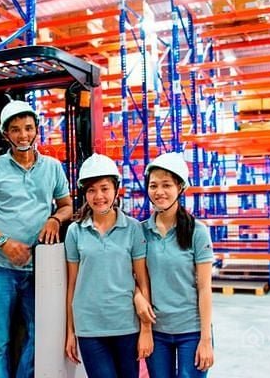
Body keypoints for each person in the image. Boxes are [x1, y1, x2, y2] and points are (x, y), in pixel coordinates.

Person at [0, 99, 73, 378]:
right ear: (6, 134)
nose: (23, 135)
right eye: (15, 130)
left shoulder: (52, 167)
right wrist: (4, 242)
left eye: (28, 128)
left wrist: (55, 219)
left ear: (37, 129)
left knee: (41, 332)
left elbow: (67, 205)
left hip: (38, 267)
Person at [64, 153, 152, 378]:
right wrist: (70, 331)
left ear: (116, 190)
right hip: (89, 327)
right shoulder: (75, 231)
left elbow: (143, 281)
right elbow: (72, 285)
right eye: (91, 190)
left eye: (104, 188)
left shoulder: (133, 228)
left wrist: (146, 329)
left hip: (126, 325)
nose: (99, 196)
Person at [136, 152, 215, 378]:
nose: (159, 192)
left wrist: (206, 339)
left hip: (191, 330)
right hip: (157, 330)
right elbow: (132, 277)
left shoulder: (197, 232)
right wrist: (138, 297)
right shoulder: (140, 231)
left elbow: (204, 288)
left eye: (166, 185)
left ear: (180, 187)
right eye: (153, 185)